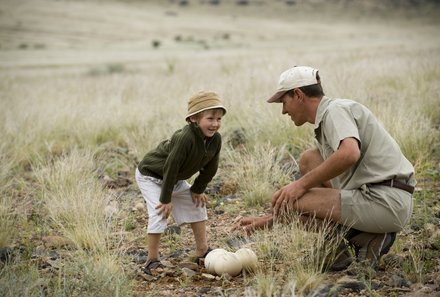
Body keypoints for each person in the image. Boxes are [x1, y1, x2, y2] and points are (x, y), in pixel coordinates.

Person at [234, 66, 416, 270]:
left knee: (291, 199)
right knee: (309, 159)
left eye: (284, 103)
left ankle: (337, 248)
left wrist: (300, 186)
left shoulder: (334, 111)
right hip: (385, 199)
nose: (284, 111)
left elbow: (349, 153)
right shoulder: (331, 114)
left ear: (298, 94)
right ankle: (365, 238)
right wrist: (265, 221)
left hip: (386, 201)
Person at [135, 91, 226, 274]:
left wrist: (197, 189)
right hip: (151, 176)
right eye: (210, 118)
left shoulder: (215, 140)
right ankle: (152, 260)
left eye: (218, 119)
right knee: (159, 211)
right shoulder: (185, 137)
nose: (215, 124)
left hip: (173, 179)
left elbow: (210, 168)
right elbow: (171, 166)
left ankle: (202, 250)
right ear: (194, 118)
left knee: (196, 204)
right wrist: (166, 198)